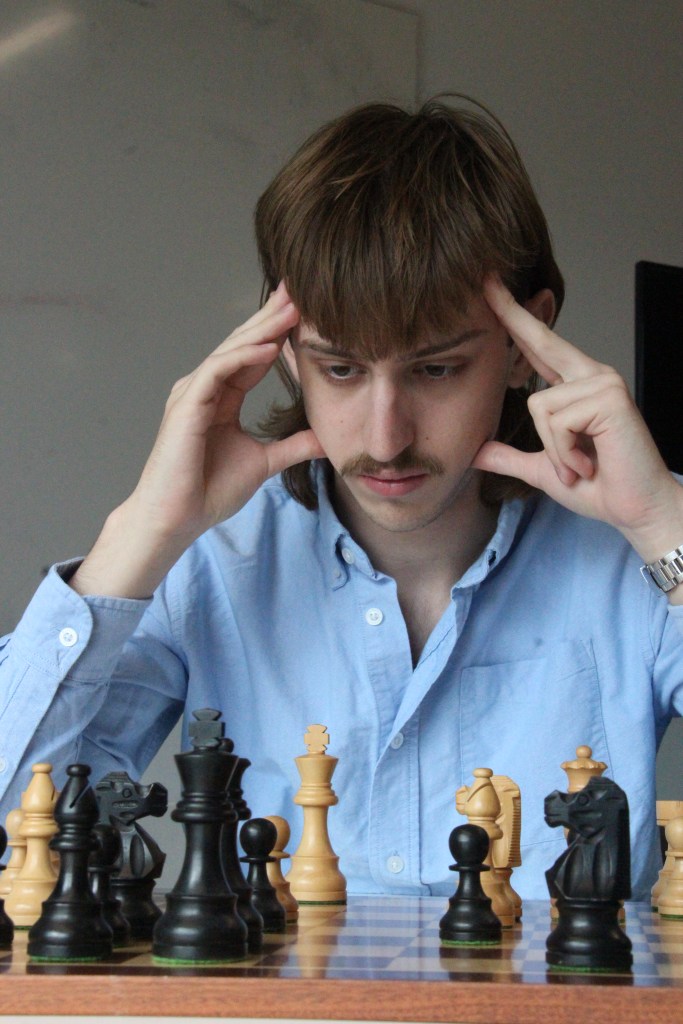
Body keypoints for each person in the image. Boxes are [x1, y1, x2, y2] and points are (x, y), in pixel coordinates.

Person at [0, 99, 681, 899]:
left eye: (436, 369)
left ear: (525, 344)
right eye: (341, 369)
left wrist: (661, 520)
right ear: (282, 351)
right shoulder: (215, 564)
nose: (385, 436)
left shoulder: (639, 559)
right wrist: (141, 532)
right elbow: (16, 823)